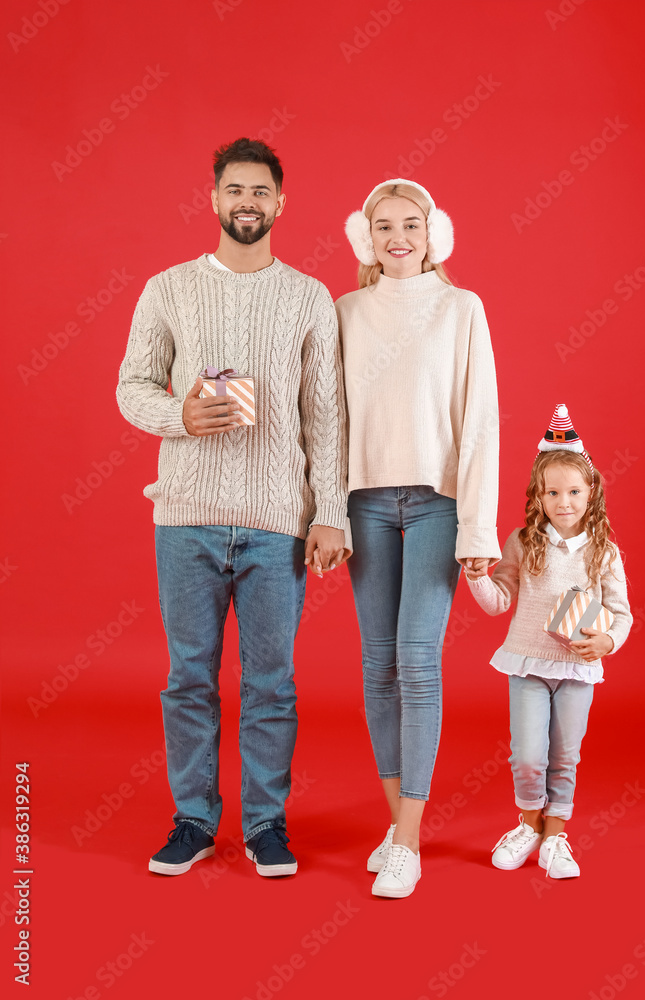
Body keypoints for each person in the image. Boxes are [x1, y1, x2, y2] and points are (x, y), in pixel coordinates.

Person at [116, 137, 348, 878]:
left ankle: (264, 825)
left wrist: (329, 512)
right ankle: (192, 820)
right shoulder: (168, 288)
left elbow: (327, 416)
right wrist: (179, 416)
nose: (247, 202)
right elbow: (131, 386)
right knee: (189, 677)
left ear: (281, 203)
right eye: (234, 190)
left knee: (272, 682)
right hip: (185, 516)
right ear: (213, 199)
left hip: (277, 520)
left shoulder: (309, 296)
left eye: (260, 192)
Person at [336, 179, 500, 897]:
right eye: (383, 226)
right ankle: (393, 824)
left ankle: (409, 840)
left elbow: (480, 420)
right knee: (376, 665)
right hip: (364, 503)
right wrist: (326, 514)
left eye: (411, 224)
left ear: (435, 234)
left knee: (417, 659)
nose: (397, 237)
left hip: (438, 504)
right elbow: (327, 422)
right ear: (364, 238)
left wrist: (478, 527)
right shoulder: (344, 312)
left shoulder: (461, 310)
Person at [465, 404, 632, 878]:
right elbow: (499, 601)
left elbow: (621, 615)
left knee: (565, 755)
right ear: (538, 495)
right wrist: (476, 576)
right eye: (553, 492)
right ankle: (529, 825)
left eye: (574, 491)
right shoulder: (522, 541)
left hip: (577, 669)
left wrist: (608, 642)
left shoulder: (604, 551)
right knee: (528, 755)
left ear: (591, 491)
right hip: (528, 664)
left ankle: (556, 837)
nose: (564, 502)